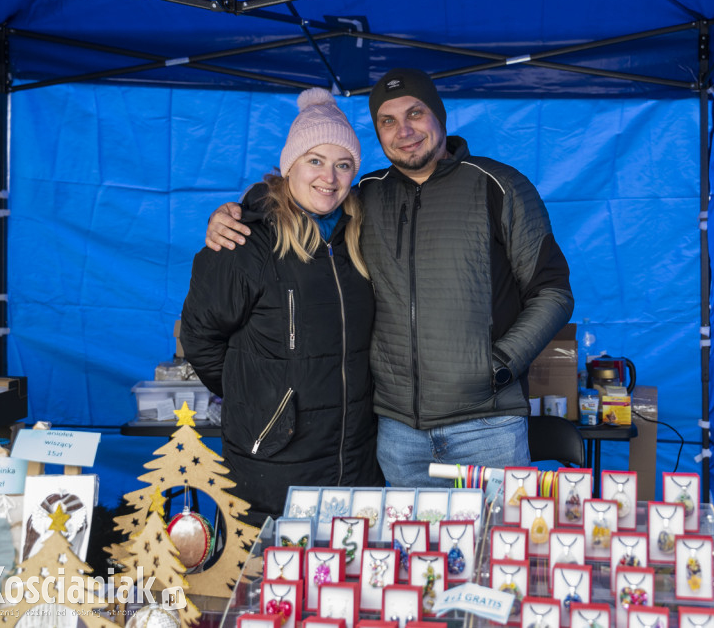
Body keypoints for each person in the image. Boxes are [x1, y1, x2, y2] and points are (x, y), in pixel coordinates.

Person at [206, 69, 574, 487]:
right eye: (387, 120)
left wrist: (500, 367)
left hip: (486, 428)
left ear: (439, 115)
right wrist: (239, 213)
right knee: (406, 550)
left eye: (415, 113)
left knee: (495, 548)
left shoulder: (499, 186)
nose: (404, 130)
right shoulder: (366, 196)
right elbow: (302, 201)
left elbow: (553, 292)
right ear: (378, 133)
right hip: (398, 434)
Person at [181, 88, 383, 524]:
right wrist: (266, 401)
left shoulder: (360, 238)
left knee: (344, 586)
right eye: (315, 160)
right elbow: (201, 338)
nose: (329, 177)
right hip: (274, 461)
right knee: (269, 585)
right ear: (289, 165)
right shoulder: (245, 241)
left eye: (342, 164)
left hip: (355, 458)